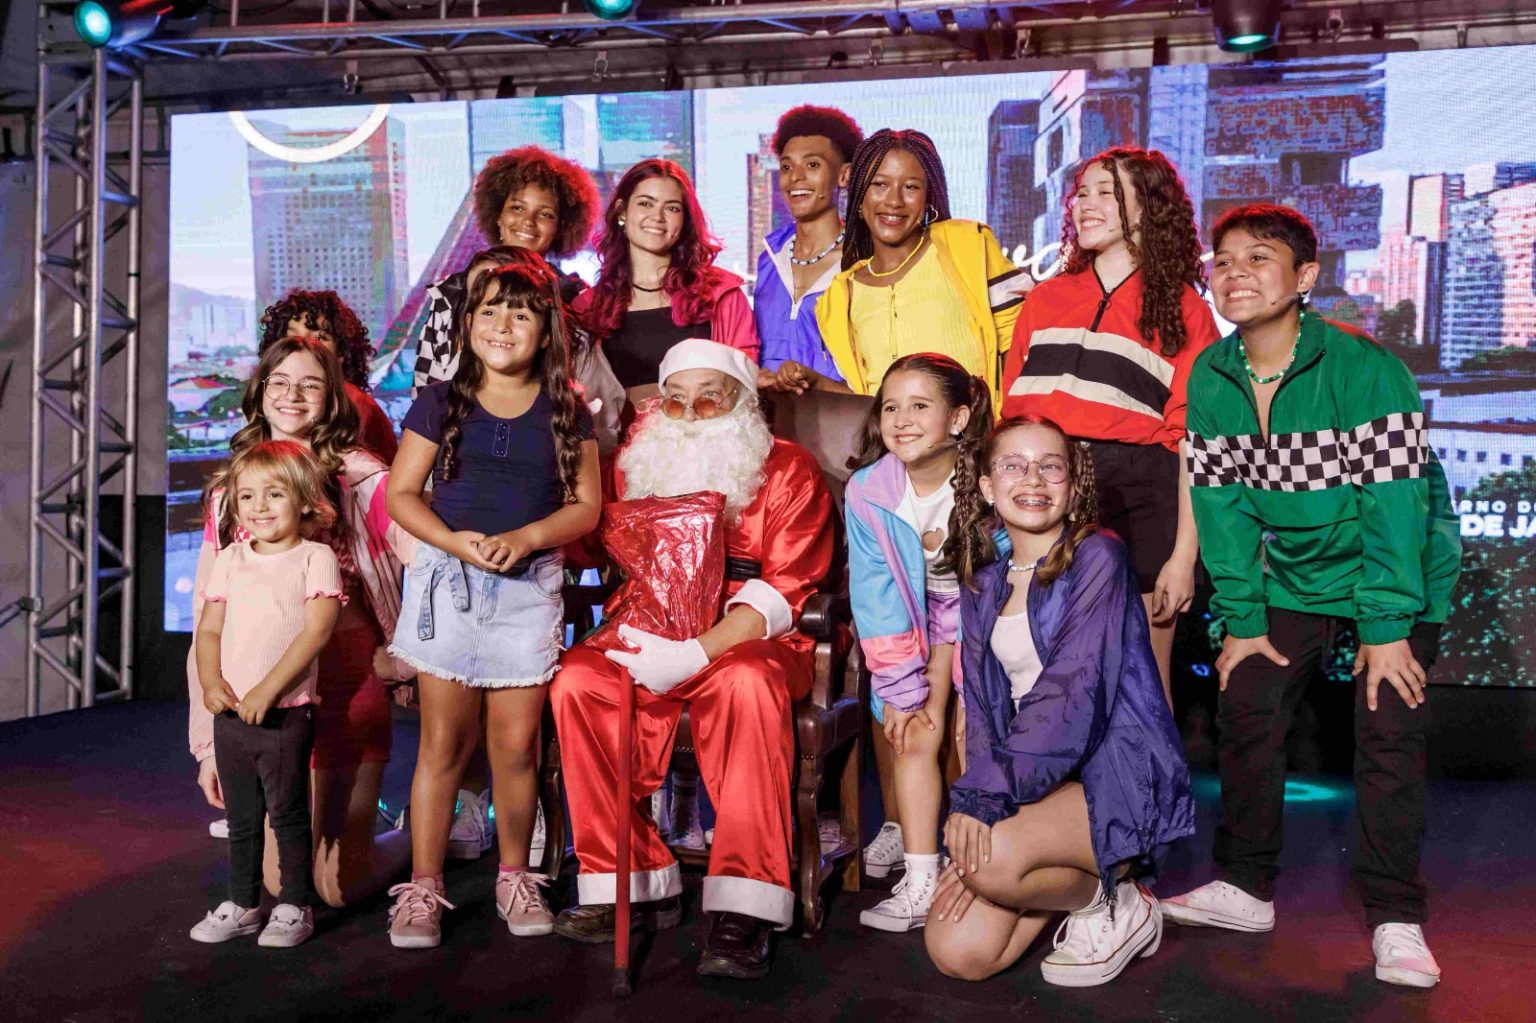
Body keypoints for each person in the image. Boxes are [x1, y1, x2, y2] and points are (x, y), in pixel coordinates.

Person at [1164, 204, 1461, 989]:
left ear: (1305, 277)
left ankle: (1395, 915)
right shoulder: (1212, 373)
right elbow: (1222, 506)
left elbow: (1394, 507)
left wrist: (1386, 626)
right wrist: (1242, 618)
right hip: (1296, 570)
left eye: (1258, 257)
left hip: (1395, 567)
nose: (1235, 273)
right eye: (1223, 260)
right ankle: (1245, 885)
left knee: (1388, 723)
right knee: (1248, 698)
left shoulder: (1366, 368)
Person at [549, 339, 834, 980]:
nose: (689, 413)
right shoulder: (634, 462)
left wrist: (697, 651)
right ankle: (629, 879)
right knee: (578, 680)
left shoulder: (788, 468)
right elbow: (590, 547)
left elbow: (791, 584)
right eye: (674, 400)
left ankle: (743, 905)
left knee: (746, 684)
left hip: (748, 636)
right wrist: (565, 469)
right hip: (647, 625)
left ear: (743, 402)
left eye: (709, 398)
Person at [924, 415, 1194, 987]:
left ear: (1073, 487)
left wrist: (982, 802)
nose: (1033, 479)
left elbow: (1069, 698)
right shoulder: (984, 579)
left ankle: (1118, 900)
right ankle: (1078, 885)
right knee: (958, 951)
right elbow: (984, 713)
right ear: (987, 485)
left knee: (992, 858)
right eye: (1013, 466)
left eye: (1051, 467)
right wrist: (979, 811)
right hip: (1034, 779)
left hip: (1116, 778)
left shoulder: (1099, 556)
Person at [383, 254, 601, 949]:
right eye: (489, 309)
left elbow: (587, 506)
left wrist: (528, 537)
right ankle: (422, 887)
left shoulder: (567, 408)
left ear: (546, 328)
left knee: (515, 748)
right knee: (443, 745)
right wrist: (455, 542)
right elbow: (400, 494)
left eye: (522, 311)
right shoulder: (440, 400)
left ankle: (515, 875)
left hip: (527, 594)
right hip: (447, 586)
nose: (503, 324)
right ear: (467, 323)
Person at [187, 337, 413, 911]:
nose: (293, 394)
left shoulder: (363, 477)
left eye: (310, 383)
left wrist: (406, 652)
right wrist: (208, 745)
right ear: (260, 392)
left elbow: (429, 563)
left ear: (331, 397)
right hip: (266, 695)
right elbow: (206, 624)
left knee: (336, 888)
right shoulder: (230, 494)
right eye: (280, 381)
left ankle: (420, 832)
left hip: (346, 680)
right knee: (277, 880)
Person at [999, 147, 1221, 700]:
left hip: (1142, 496)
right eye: (1082, 193)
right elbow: (1011, 413)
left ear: (1148, 206)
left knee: (1143, 678)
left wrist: (1183, 557)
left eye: (1108, 192)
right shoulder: (1045, 299)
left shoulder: (1186, 310)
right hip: (1046, 490)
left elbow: (1193, 444)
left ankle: (1149, 766)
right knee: (1042, 675)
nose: (1086, 204)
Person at [843, 353, 992, 928]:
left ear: (958, 418)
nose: (902, 420)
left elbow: (1010, 584)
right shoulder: (868, 490)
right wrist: (903, 688)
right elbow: (875, 595)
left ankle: (980, 874)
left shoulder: (990, 478)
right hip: (916, 624)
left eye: (920, 406)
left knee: (975, 736)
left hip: (983, 622)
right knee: (912, 732)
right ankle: (921, 878)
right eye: (890, 408)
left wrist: (972, 683)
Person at [188, 440, 344, 950]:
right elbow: (210, 630)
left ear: (304, 500)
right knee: (241, 819)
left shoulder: (316, 557)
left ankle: (294, 905)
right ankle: (242, 903)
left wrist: (267, 690)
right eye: (247, 495)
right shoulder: (231, 558)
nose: (259, 506)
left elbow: (315, 632)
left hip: (284, 716)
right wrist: (212, 683)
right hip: (231, 716)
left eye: (274, 494)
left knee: (288, 814)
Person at [774, 128, 1026, 405]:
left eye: (911, 187)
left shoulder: (968, 246)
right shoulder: (842, 293)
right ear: (859, 197)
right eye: (879, 185)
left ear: (928, 198)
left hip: (973, 430)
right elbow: (874, 403)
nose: (894, 201)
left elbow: (1021, 347)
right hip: (889, 435)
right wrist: (818, 383)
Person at [411, 145, 624, 451]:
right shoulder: (450, 294)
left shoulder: (574, 299)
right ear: (498, 215)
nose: (528, 221)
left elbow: (598, 409)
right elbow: (425, 390)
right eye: (517, 208)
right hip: (458, 456)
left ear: (560, 227)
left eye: (545, 214)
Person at [572, 159, 760, 393]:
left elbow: (744, 385)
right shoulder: (587, 308)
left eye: (672, 208)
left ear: (685, 220)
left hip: (705, 418)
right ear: (622, 211)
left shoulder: (721, 294)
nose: (658, 217)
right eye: (645, 203)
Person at [754, 105, 862, 382]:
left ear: (844, 175)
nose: (795, 177)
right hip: (767, 408)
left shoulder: (861, 262)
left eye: (812, 165)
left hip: (837, 408)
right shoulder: (770, 258)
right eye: (786, 167)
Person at [259, 290, 398, 463]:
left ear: (342, 353)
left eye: (320, 338)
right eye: (293, 336)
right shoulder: (269, 395)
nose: (303, 344)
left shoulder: (352, 403)